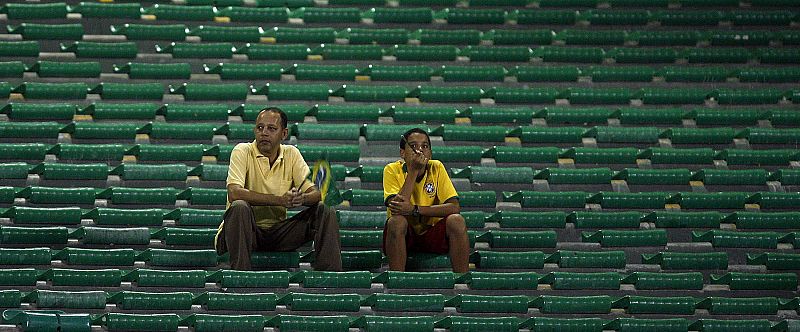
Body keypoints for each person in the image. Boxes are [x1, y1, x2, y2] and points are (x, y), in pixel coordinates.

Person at [215, 107, 342, 271]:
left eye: (271, 128)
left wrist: (301, 198)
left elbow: (319, 192)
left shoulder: (291, 154)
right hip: (244, 231)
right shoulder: (242, 151)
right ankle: (241, 276)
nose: (264, 133)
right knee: (239, 206)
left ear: (284, 134)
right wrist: (279, 200)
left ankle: (329, 277)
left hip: (277, 232)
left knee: (325, 208)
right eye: (260, 128)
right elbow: (234, 193)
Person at [382, 128, 470, 273]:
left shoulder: (437, 167)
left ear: (430, 152)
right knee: (396, 222)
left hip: (431, 233)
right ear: (402, 153)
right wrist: (414, 171)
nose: (419, 151)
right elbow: (397, 208)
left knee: (457, 220)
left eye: (425, 146)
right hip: (405, 235)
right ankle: (397, 280)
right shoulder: (391, 170)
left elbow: (454, 207)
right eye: (414, 146)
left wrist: (415, 209)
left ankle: (461, 280)